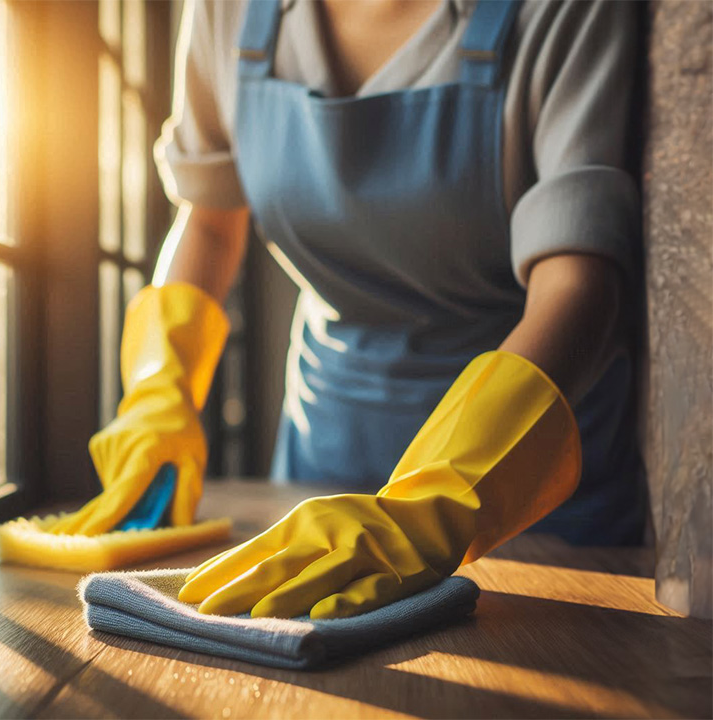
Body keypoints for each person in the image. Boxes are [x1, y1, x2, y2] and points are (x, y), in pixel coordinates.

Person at [67, 0, 647, 619]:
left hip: (528, 497)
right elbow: (208, 217)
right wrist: (161, 392)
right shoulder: (226, 10)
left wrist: (431, 509)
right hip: (322, 460)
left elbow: (581, 283)